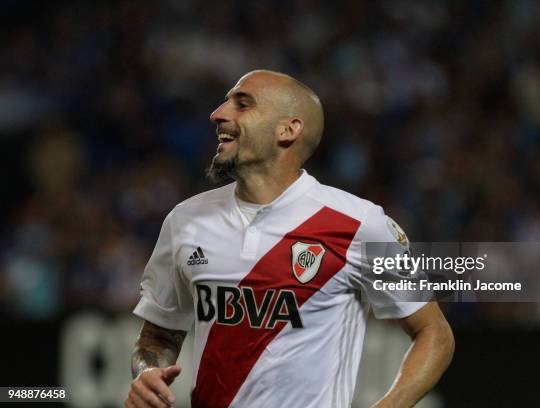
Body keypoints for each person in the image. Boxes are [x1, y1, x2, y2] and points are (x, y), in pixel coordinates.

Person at [124, 70, 454, 408]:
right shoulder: (186, 220)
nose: (218, 114)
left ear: (288, 129)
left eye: (242, 104)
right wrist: (146, 372)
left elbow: (434, 334)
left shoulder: (359, 224)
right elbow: (159, 334)